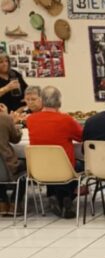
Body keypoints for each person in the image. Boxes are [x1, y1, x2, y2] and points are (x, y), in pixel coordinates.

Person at [25, 85, 83, 218]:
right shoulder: (66, 119)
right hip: (64, 168)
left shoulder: (31, 120)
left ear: (42, 101)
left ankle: (55, 196)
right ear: (59, 102)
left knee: (52, 166)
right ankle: (68, 196)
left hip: (39, 169)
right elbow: (81, 137)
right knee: (80, 165)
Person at [0, 103, 21, 215]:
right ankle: (15, 203)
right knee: (29, 167)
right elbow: (16, 138)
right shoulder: (5, 118)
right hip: (7, 163)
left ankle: (2, 202)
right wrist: (13, 123)